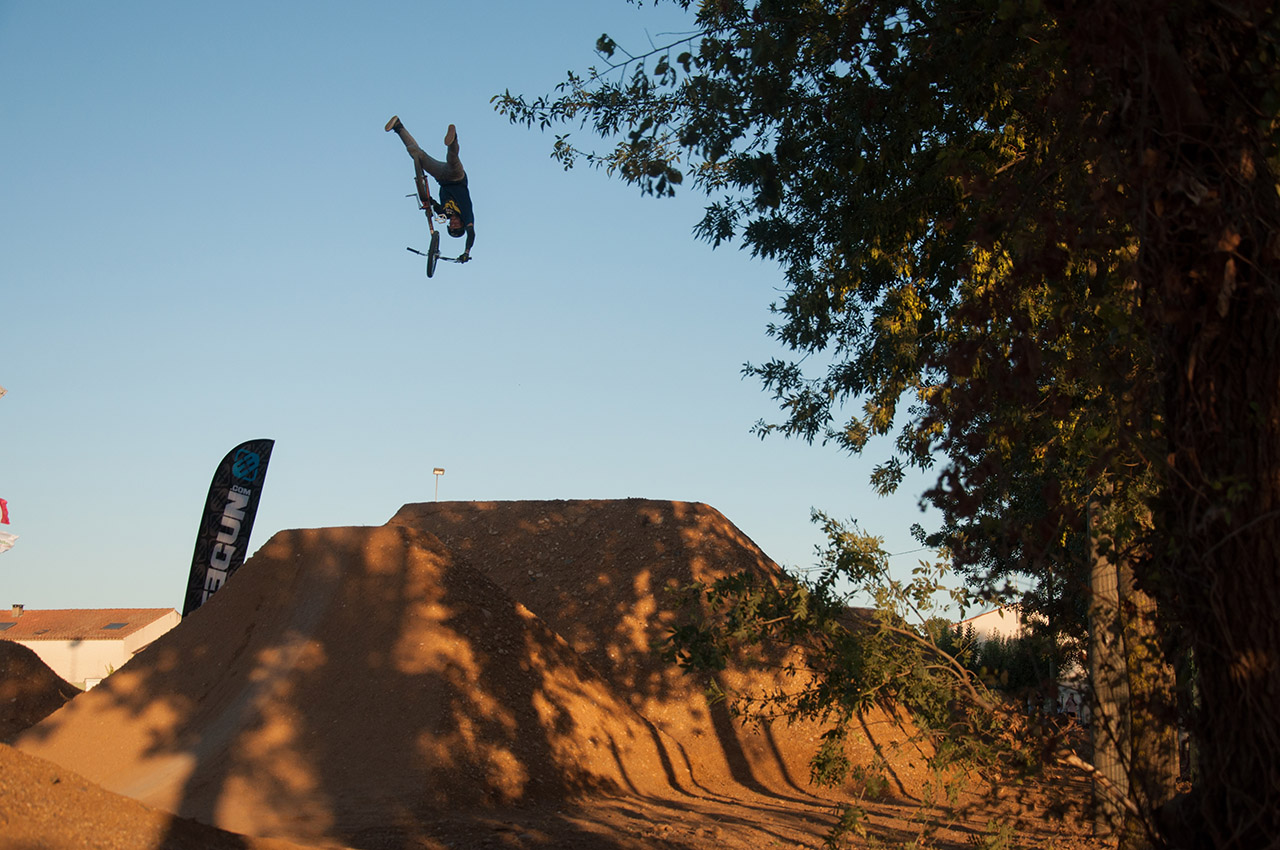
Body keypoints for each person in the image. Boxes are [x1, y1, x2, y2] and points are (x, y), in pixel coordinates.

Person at [385, 115, 475, 261]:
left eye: (451, 225)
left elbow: (432, 204)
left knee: (417, 155)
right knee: (452, 158)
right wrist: (466, 252)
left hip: (441, 177)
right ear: (462, 224)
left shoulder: (444, 213)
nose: (453, 222)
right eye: (456, 225)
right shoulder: (467, 215)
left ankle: (398, 127)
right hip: (457, 177)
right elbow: (471, 234)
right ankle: (453, 139)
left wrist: (428, 203)